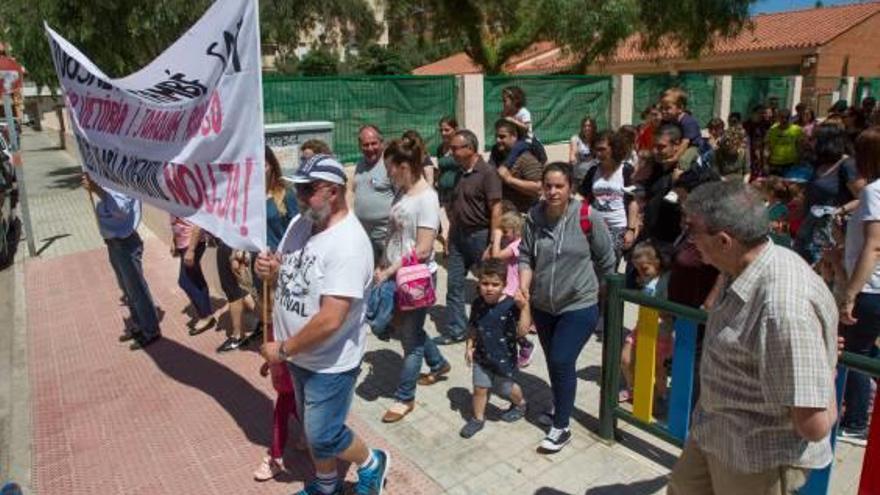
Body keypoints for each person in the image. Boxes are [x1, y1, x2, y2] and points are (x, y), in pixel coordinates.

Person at [669, 181, 838, 494]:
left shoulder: (783, 309)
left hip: (755, 459)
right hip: (714, 432)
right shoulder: (738, 265)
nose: (689, 240)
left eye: (694, 231)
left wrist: (827, 367)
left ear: (724, 240)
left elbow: (814, 425)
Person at [256, 154, 389, 495]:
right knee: (315, 430)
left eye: (306, 190)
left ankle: (373, 462)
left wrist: (282, 350)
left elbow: (331, 319)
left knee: (323, 434)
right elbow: (285, 265)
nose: (298, 197)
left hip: (329, 363)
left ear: (333, 191)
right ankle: (327, 484)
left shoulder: (349, 244)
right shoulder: (301, 223)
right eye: (297, 189)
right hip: (299, 356)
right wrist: (270, 268)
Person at [519, 162, 616, 452]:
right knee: (554, 362)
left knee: (562, 360)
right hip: (542, 306)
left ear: (570, 188)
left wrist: (593, 289)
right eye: (547, 185)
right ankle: (560, 406)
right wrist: (524, 285)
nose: (552, 191)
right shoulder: (534, 217)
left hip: (579, 305)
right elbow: (526, 254)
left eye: (559, 186)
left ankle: (561, 427)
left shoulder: (588, 216)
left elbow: (607, 259)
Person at [374, 139, 450, 423]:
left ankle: (404, 398)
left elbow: (423, 249)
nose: (387, 175)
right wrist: (383, 260)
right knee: (408, 329)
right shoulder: (403, 192)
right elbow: (395, 234)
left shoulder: (427, 198)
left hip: (414, 278)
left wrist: (389, 270)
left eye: (390, 169)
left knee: (410, 340)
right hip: (394, 272)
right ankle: (439, 364)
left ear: (404, 166)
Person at [437, 130, 503, 345]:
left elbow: (496, 208)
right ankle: (457, 329)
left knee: (489, 287)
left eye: (456, 148)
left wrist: (493, 242)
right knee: (454, 285)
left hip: (480, 236)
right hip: (458, 236)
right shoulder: (458, 173)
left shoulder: (487, 173)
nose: (452, 152)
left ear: (471, 149)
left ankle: (491, 332)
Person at [82, 174, 161, 350]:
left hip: (125, 242)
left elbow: (121, 210)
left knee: (136, 289)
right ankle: (140, 325)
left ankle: (151, 330)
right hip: (114, 242)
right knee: (127, 289)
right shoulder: (106, 176)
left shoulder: (122, 179)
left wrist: (97, 190)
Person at [837, 126, 880, 445]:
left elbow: (874, 246)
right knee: (866, 349)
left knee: (856, 353)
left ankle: (856, 421)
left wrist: (850, 293)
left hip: (870, 288)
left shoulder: (873, 192)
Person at [460, 259, 531, 438]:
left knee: (505, 389)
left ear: (504, 284)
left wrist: (524, 308)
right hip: (482, 357)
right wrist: (469, 346)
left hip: (504, 359)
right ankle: (477, 419)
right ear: (478, 283)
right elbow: (473, 327)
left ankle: (520, 403)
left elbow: (522, 331)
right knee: (479, 388)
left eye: (495, 284)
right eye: (485, 283)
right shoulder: (477, 303)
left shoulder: (510, 306)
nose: (489, 288)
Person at [794, 124, 865, 266]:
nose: (810, 142)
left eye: (814, 138)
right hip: (810, 233)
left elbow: (863, 198)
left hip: (832, 236)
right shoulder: (820, 165)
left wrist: (841, 210)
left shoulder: (847, 165)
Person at [619, 241, 672, 408]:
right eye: (638, 269)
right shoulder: (646, 279)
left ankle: (661, 396)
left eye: (645, 268)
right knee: (625, 359)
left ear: (656, 263)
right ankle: (633, 388)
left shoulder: (666, 280)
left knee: (657, 369)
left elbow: (668, 308)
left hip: (661, 332)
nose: (641, 273)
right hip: (641, 327)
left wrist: (659, 312)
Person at [578, 130, 637, 264]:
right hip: (596, 227)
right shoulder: (593, 171)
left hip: (618, 227)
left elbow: (633, 202)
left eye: (602, 149)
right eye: (596, 149)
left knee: (610, 266)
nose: (599, 153)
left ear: (614, 148)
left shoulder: (626, 170)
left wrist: (631, 230)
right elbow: (584, 196)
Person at [490, 211, 535, 368]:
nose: (503, 235)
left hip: (513, 292)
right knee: (504, 324)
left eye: (506, 232)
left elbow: (496, 257)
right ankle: (514, 348)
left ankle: (525, 346)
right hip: (507, 290)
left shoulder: (518, 245)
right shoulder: (511, 243)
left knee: (509, 325)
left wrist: (496, 237)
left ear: (516, 230)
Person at [353, 124, 394, 264]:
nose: (370, 148)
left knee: (389, 278)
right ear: (360, 146)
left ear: (381, 143)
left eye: (373, 143)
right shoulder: (360, 164)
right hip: (364, 237)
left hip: (386, 237)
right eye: (365, 145)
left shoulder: (389, 164)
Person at [170, 215, 215, 335]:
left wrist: (191, 250)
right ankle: (207, 314)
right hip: (183, 242)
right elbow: (175, 219)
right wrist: (174, 240)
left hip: (192, 243)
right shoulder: (174, 197)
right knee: (196, 278)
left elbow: (199, 222)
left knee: (185, 281)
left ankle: (206, 316)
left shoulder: (191, 197)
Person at [492, 118, 543, 214]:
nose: (498, 140)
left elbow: (539, 189)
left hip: (523, 217)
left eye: (502, 137)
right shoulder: (496, 156)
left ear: (514, 136)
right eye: (496, 136)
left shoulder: (526, 159)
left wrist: (509, 180)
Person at [659, 88, 705, 169]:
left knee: (684, 160)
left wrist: (675, 157)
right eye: (662, 108)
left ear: (680, 108)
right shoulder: (667, 120)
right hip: (677, 144)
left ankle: (681, 173)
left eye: (667, 108)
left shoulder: (688, 122)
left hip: (693, 146)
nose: (663, 111)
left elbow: (685, 143)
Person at [765, 108, 803, 176]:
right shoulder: (772, 130)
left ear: (790, 118)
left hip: (791, 163)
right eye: (782, 117)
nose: (784, 120)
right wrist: (765, 163)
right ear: (778, 118)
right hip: (775, 163)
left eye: (787, 118)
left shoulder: (797, 130)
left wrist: (799, 160)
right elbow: (768, 147)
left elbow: (800, 146)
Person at [744, 104, 773, 180]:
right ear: (753, 113)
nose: (761, 115)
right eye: (759, 113)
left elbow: (766, 141)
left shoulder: (765, 125)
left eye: (762, 113)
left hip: (760, 154)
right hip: (748, 152)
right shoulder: (746, 125)